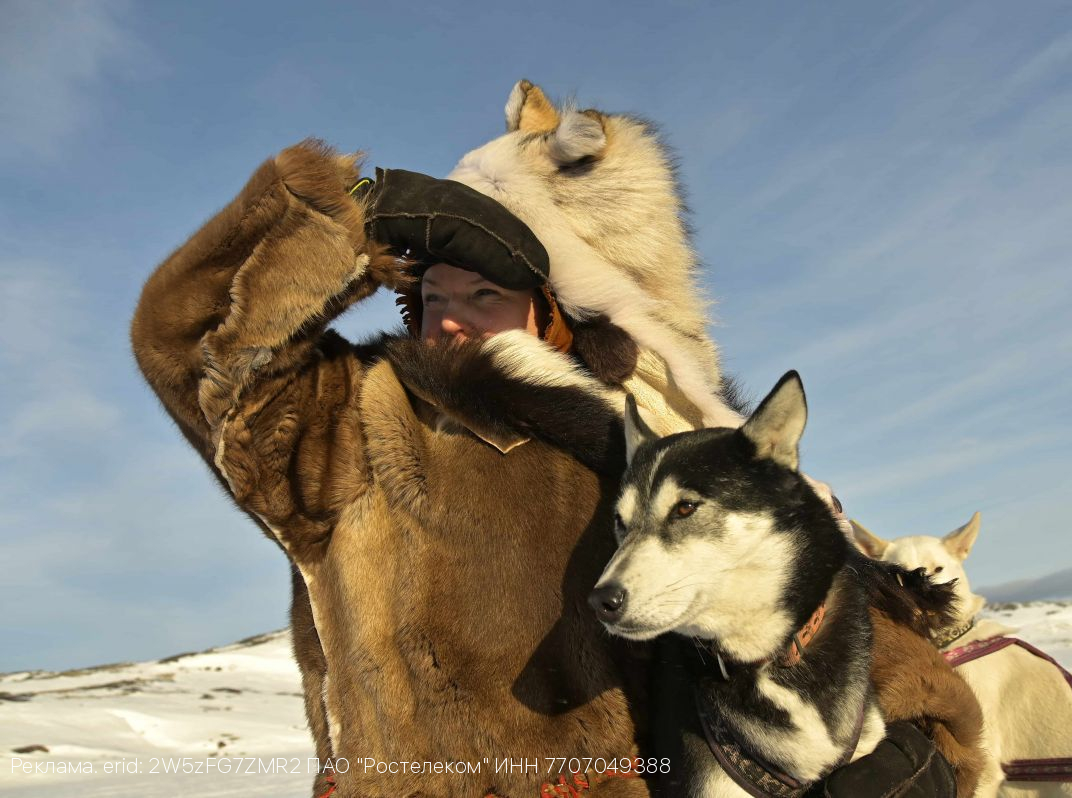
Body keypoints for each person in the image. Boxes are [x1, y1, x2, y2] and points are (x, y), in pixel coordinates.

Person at [132, 86, 966, 798]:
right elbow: (187, 345)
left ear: (551, 311)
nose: (446, 318)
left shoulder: (645, 437)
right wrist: (336, 221)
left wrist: (910, 724)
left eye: (484, 292)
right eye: (427, 294)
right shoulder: (352, 423)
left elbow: (794, 594)